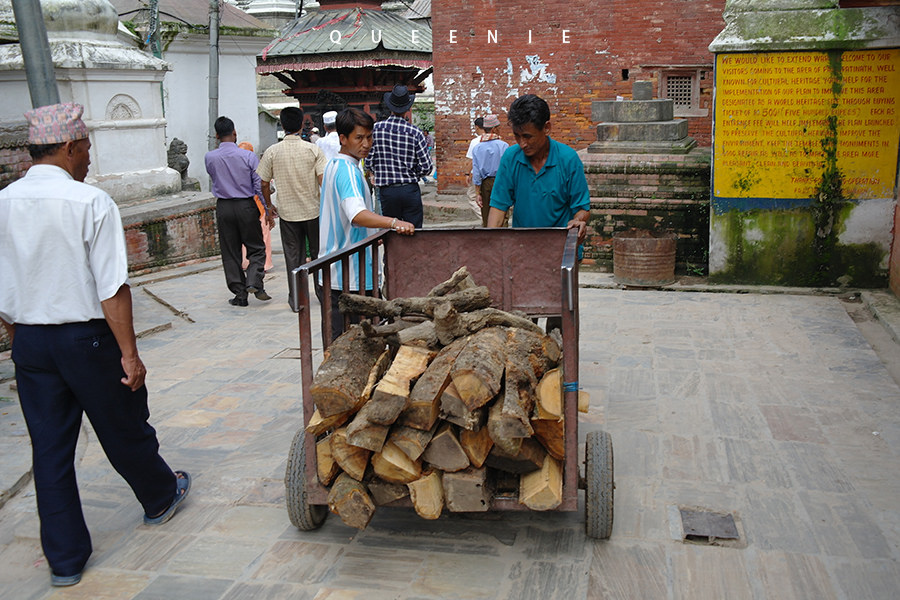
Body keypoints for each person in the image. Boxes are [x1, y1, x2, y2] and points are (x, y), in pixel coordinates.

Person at [0, 103, 190, 588]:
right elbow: (112, 288)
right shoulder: (89, 202)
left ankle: (65, 561)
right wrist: (129, 353)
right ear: (68, 147)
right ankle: (161, 496)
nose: (88, 159)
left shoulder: (4, 202)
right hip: (85, 339)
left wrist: (16, 335)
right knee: (122, 423)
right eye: (86, 149)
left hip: (32, 342)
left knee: (50, 450)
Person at [320, 107, 415, 341]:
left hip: (335, 274)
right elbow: (357, 215)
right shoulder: (348, 172)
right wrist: (394, 223)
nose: (366, 144)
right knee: (354, 346)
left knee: (338, 342)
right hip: (350, 277)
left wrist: (375, 230)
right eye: (359, 138)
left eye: (369, 137)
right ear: (343, 138)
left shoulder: (335, 165)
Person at [487, 94, 589, 241]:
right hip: (522, 248)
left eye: (528, 136)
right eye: (517, 136)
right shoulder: (511, 158)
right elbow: (498, 207)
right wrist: (490, 243)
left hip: (560, 247)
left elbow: (582, 208)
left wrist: (578, 220)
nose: (522, 144)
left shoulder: (568, 159)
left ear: (546, 128)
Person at [257, 107, 326, 308]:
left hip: (288, 213)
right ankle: (322, 295)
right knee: (317, 254)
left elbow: (263, 182)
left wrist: (269, 207)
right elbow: (323, 180)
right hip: (313, 210)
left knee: (292, 256)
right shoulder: (313, 150)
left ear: (283, 125)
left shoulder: (272, 151)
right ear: (300, 124)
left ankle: (297, 299)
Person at [205, 116, 271, 306]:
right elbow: (258, 185)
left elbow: (213, 176)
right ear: (234, 133)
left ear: (216, 135)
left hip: (224, 207)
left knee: (230, 252)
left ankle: (240, 295)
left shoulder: (210, 157)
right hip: (246, 205)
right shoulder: (248, 156)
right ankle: (254, 281)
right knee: (256, 248)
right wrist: (266, 208)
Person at [365, 85, 433, 228]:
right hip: (409, 189)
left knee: (390, 231)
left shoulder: (376, 129)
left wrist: (378, 171)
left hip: (387, 190)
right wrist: (413, 172)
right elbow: (427, 167)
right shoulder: (415, 132)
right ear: (408, 108)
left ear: (390, 107)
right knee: (413, 232)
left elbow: (369, 162)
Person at [238, 141, 274, 272]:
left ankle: (246, 262)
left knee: (245, 237)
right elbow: (263, 186)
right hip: (258, 206)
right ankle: (264, 263)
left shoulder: (235, 169)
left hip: (244, 207)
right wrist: (268, 207)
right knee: (263, 235)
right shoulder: (255, 166)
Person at [470, 114, 509, 227]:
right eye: (498, 128)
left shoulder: (477, 148)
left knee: (487, 214)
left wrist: (478, 193)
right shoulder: (504, 146)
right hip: (501, 183)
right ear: (494, 129)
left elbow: (476, 174)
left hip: (485, 184)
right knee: (503, 213)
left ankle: (489, 239)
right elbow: (507, 169)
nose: (500, 130)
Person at [465, 117, 485, 219]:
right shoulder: (498, 140)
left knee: (472, 197)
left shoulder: (475, 141)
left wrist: (467, 174)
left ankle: (485, 218)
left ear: (477, 127)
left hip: (477, 174)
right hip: (492, 175)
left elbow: (471, 160)